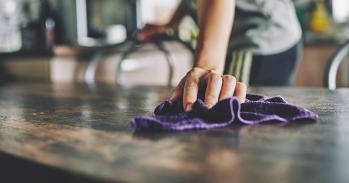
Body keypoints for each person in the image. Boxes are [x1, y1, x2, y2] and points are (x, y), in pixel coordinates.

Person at [138, 0, 302, 112]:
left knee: (230, 106)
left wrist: (206, 69)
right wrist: (170, 24)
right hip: (275, 33)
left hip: (260, 37)